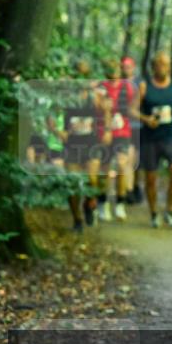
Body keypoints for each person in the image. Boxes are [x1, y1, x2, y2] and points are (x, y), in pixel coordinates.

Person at [130, 51, 172, 229]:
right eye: (160, 64)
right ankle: (154, 213)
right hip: (150, 138)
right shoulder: (144, 87)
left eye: (166, 64)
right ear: (153, 66)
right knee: (150, 178)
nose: (163, 67)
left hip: (171, 136)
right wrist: (146, 119)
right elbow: (131, 110)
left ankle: (170, 210)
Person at [58, 58, 111, 232]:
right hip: (71, 144)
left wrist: (108, 131)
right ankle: (77, 219)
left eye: (85, 75)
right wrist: (59, 131)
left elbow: (106, 112)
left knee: (91, 179)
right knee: (73, 183)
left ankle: (89, 203)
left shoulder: (94, 95)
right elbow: (52, 115)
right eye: (78, 75)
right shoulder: (65, 96)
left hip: (91, 142)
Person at [97, 58, 136, 222]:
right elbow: (100, 108)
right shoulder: (101, 87)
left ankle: (120, 202)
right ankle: (102, 202)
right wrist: (106, 128)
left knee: (121, 164)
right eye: (110, 69)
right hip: (103, 132)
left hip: (123, 131)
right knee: (104, 168)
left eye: (116, 69)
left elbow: (133, 107)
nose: (114, 72)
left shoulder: (127, 87)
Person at [120, 55, 143, 204]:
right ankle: (128, 191)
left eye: (128, 66)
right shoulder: (117, 83)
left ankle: (134, 186)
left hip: (138, 126)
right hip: (123, 127)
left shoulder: (140, 83)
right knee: (127, 159)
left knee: (136, 161)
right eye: (123, 67)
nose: (125, 69)